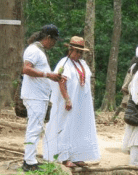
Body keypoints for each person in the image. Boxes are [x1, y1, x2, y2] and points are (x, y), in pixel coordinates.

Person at [43, 36, 100, 168]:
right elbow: (61, 82)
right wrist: (67, 98)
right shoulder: (64, 63)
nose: (78, 54)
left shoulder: (82, 64)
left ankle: (77, 156)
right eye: (76, 51)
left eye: (81, 52)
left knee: (79, 127)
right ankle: (64, 157)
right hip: (69, 101)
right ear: (70, 50)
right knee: (66, 126)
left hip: (81, 102)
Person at [20, 24, 63, 172]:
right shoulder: (33, 50)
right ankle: (29, 161)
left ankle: (30, 158)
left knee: (36, 128)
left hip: (40, 96)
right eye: (54, 40)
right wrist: (47, 75)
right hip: (34, 96)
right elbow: (26, 69)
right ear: (48, 38)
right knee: (34, 128)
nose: (54, 44)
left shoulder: (39, 51)